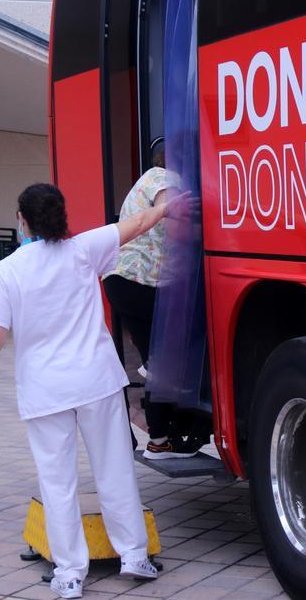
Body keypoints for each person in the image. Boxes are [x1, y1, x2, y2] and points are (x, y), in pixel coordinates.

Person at [0, 183, 189, 599]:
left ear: (22, 220)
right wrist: (168, 202)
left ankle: (69, 574)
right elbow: (138, 222)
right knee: (115, 469)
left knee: (57, 480)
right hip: (97, 381)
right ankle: (134, 556)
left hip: (45, 390)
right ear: (61, 216)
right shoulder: (84, 248)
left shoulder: (8, 270)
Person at [103, 137, 210, 460]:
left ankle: (161, 440)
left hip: (125, 283)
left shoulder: (145, 180)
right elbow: (172, 214)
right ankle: (166, 433)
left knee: (159, 361)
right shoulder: (162, 178)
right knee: (176, 354)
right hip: (139, 283)